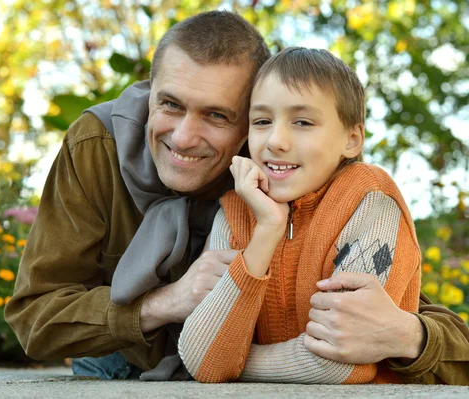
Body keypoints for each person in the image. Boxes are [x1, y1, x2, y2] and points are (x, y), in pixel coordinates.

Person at [4, 11, 469, 384]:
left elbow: (431, 333)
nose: (185, 137)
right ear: (150, 93)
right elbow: (34, 317)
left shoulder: (288, 173)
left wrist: (407, 335)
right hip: (121, 356)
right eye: (169, 104)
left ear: (253, 116)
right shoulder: (98, 146)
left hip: (245, 365)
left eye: (217, 115)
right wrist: (169, 301)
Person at [179, 47, 424, 384]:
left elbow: (338, 362)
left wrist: (231, 362)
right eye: (262, 121)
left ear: (352, 140)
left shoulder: (371, 201)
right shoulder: (236, 209)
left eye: (303, 122)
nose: (276, 141)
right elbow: (201, 360)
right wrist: (267, 227)